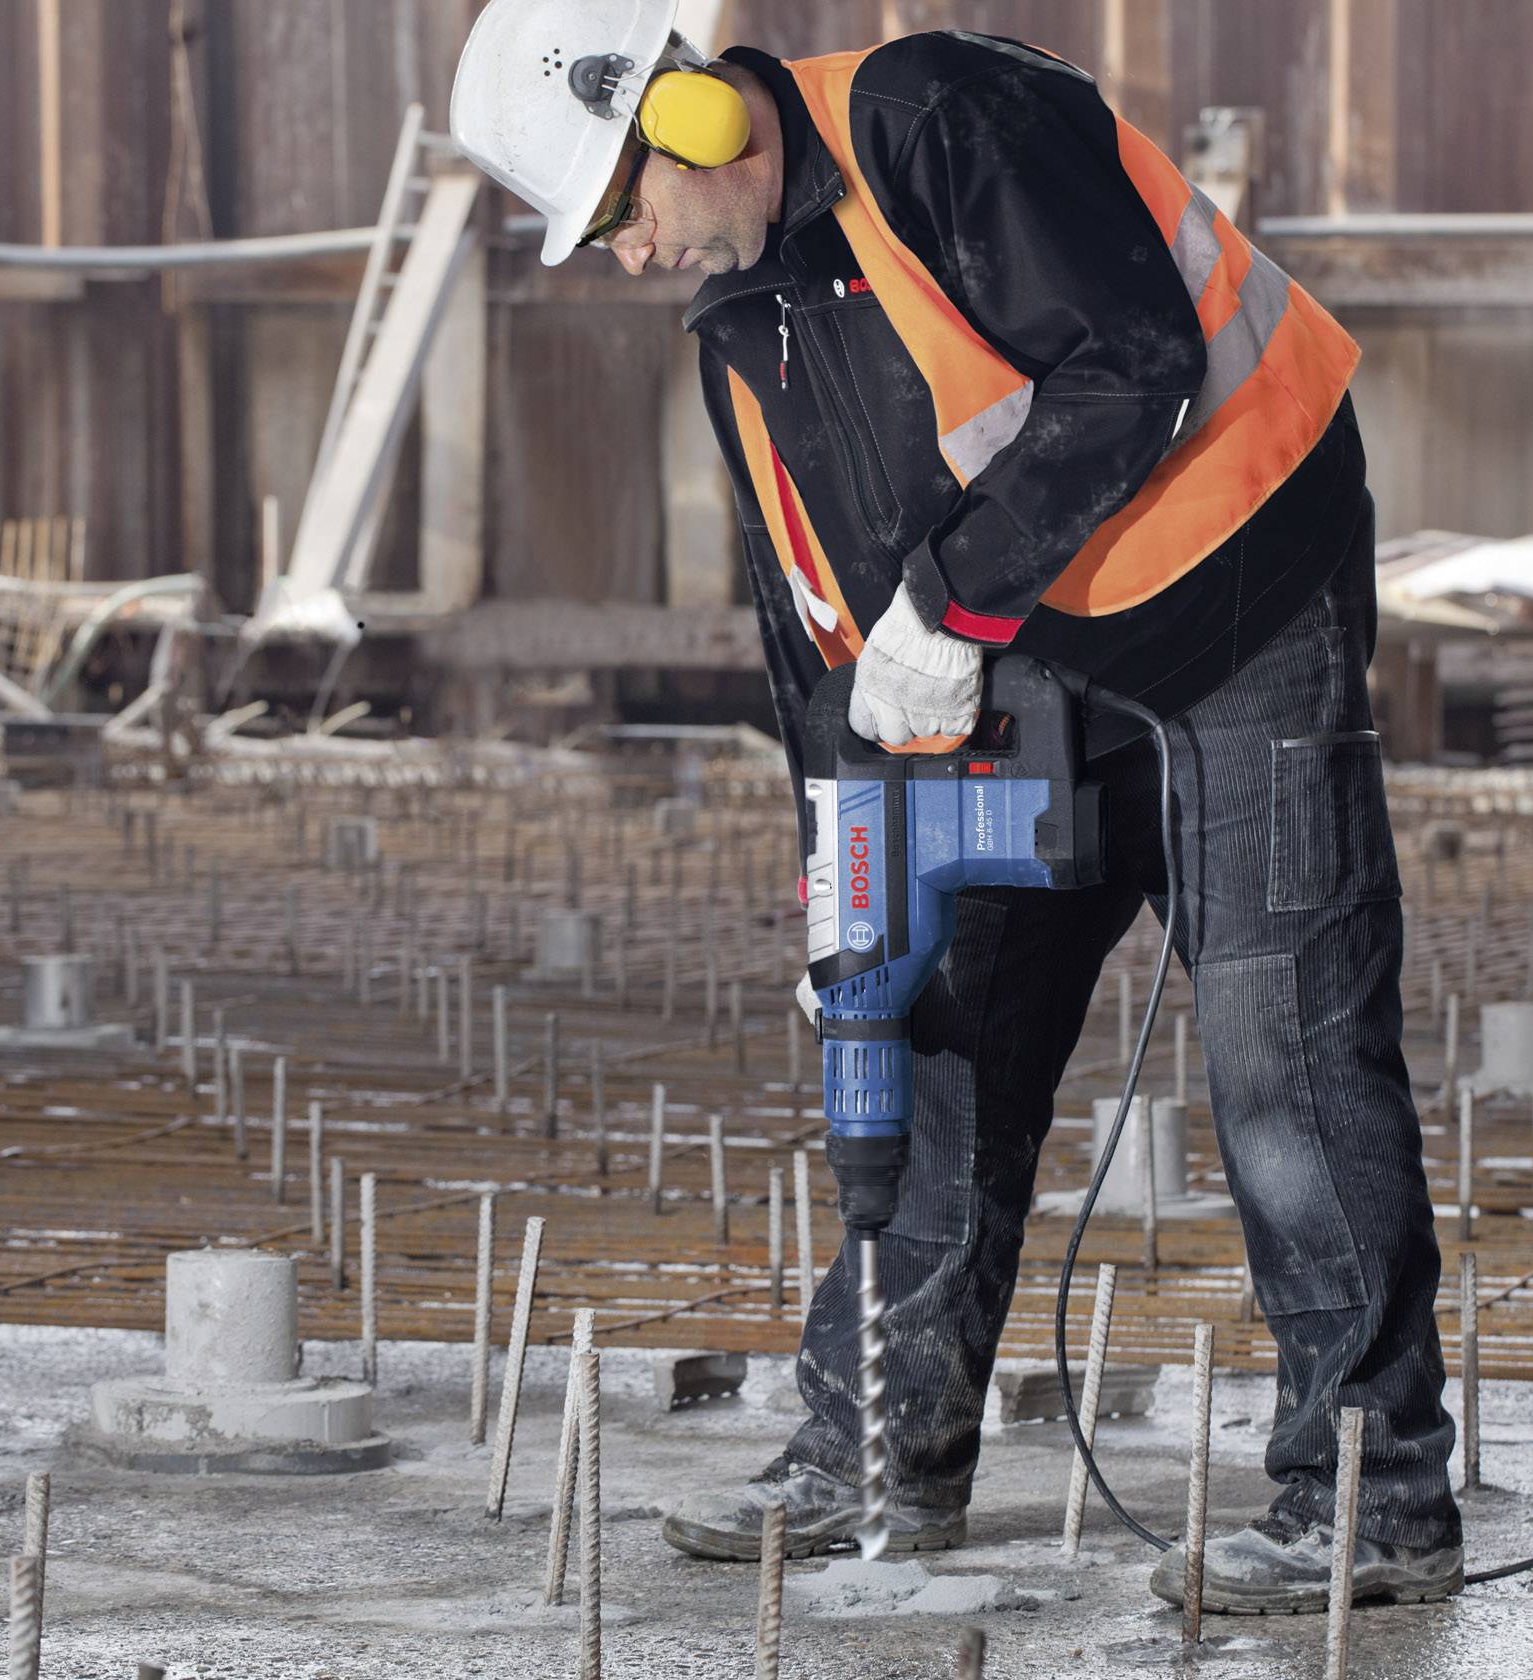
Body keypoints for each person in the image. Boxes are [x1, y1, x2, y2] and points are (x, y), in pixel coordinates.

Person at [451, 2, 1462, 1614]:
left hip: (1244, 598)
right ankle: (875, 1455)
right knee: (931, 1014)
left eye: (620, 209)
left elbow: (1137, 360)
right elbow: (818, 649)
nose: (626, 255)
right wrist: (843, 906)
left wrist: (955, 598)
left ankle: (1373, 1498)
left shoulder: (941, 119)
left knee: (1284, 1042)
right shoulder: (752, 336)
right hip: (1031, 654)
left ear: (693, 120)